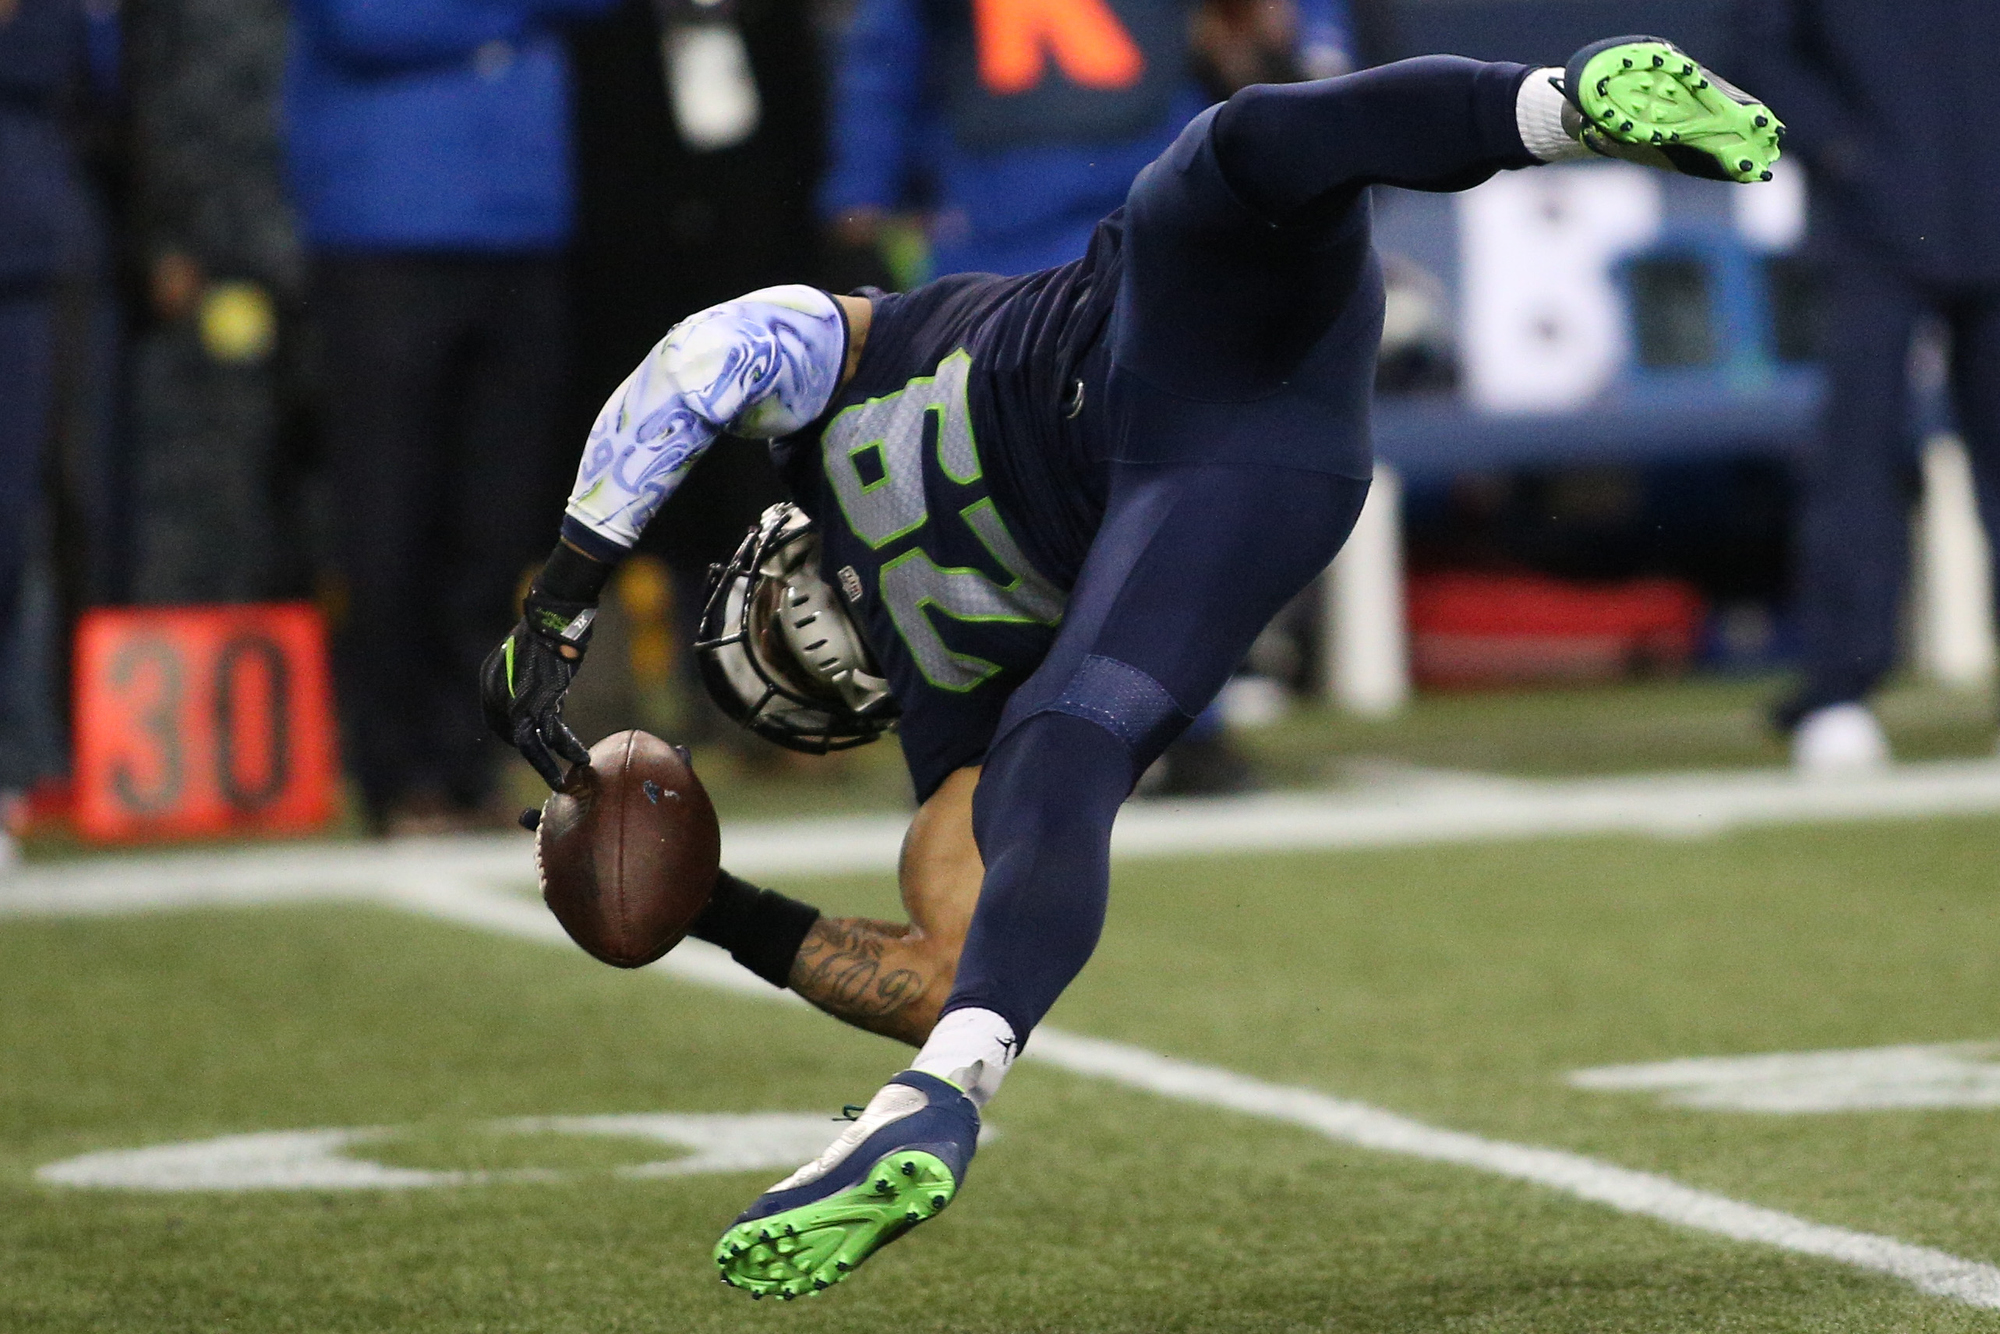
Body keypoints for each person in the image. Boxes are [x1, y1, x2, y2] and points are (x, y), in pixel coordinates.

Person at [483, 37, 1782, 1297]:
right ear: (760, 572)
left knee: (1069, 736)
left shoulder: (944, 707)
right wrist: (569, 588)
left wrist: (715, 905)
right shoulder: (823, 448)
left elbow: (937, 970)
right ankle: (1556, 104)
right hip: (1157, 335)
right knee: (1253, 141)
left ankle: (945, 1095)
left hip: (1225, 471)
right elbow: (710, 357)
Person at [286, 0, 613, 834]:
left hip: (526, 225)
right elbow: (363, 23)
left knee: (495, 526)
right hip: (384, 228)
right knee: (389, 517)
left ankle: (469, 760)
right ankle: (397, 773)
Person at [1732, 0, 2000, 774]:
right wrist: (1846, 151)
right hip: (1870, 229)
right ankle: (1840, 691)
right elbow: (1761, 49)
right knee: (1857, 461)